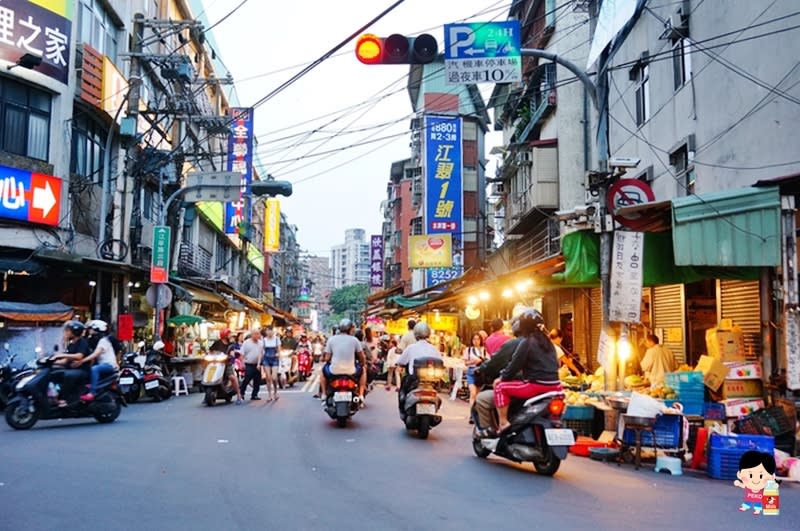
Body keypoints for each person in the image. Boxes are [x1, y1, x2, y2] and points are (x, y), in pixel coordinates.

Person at [494, 309, 562, 433]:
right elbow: (557, 364)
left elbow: (514, 366)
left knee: (500, 387)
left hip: (536, 386)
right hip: (556, 387)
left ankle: (503, 423)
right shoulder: (549, 343)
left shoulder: (527, 342)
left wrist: (502, 378)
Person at [473, 318, 523, 437]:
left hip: (520, 382)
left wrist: (502, 376)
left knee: (491, 393)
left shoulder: (515, 343)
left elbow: (503, 363)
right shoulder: (544, 344)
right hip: (548, 387)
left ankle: (498, 426)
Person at [395, 322, 442, 410]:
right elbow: (441, 362)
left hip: (414, 380)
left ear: (416, 334)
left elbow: (401, 361)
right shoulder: (434, 349)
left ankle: (402, 408)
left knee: (403, 389)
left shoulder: (411, 348)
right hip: (432, 381)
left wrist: (399, 363)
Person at [319, 319, 367, 402]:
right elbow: (361, 356)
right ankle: (361, 394)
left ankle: (323, 394)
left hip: (334, 371)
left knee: (323, 372)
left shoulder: (331, 339)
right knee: (363, 370)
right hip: (351, 371)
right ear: (350, 329)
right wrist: (363, 363)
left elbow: (327, 358)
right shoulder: (354, 340)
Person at [79, 320, 119, 402]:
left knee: (95, 369)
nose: (89, 331)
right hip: (104, 364)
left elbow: (95, 354)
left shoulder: (103, 341)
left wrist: (82, 361)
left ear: (97, 329)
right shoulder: (94, 341)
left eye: (91, 329)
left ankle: (92, 393)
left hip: (109, 365)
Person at [53, 320, 92, 404]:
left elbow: (79, 356)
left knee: (68, 375)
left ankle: (65, 399)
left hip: (82, 370)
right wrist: (51, 362)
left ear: (75, 332)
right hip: (72, 368)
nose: (65, 333)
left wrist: (62, 355)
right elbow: (64, 362)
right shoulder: (71, 344)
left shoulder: (82, 342)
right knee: (53, 373)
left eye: (67, 331)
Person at [208, 329, 242, 404]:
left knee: (232, 377)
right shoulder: (217, 343)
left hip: (226, 364)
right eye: (229, 335)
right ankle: (206, 395)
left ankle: (239, 395)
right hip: (216, 363)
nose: (230, 336)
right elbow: (210, 351)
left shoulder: (231, 344)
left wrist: (230, 355)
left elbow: (232, 353)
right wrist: (209, 355)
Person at [462, 332, 487, 412]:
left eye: (478, 339)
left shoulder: (484, 350)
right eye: (474, 339)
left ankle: (476, 412)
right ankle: (472, 413)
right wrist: (473, 362)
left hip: (480, 374)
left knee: (478, 394)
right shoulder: (468, 350)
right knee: (473, 393)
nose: (476, 341)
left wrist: (480, 360)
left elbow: (488, 361)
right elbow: (466, 363)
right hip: (471, 373)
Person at [239, 328, 264, 402]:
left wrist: (259, 363)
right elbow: (242, 353)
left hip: (257, 364)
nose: (258, 335)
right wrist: (242, 362)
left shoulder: (260, 343)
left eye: (258, 334)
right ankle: (242, 393)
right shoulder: (247, 343)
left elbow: (261, 353)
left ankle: (254, 394)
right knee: (247, 379)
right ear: (252, 335)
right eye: (256, 334)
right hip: (249, 364)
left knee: (257, 379)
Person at [261, 327, 281, 401]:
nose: (269, 332)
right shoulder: (264, 340)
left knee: (274, 377)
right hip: (266, 359)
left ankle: (275, 392)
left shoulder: (276, 339)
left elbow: (279, 350)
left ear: (273, 332)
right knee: (268, 377)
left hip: (275, 359)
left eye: (271, 331)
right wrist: (259, 362)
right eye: (268, 331)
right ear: (266, 332)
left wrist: (278, 354)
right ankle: (269, 395)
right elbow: (261, 351)